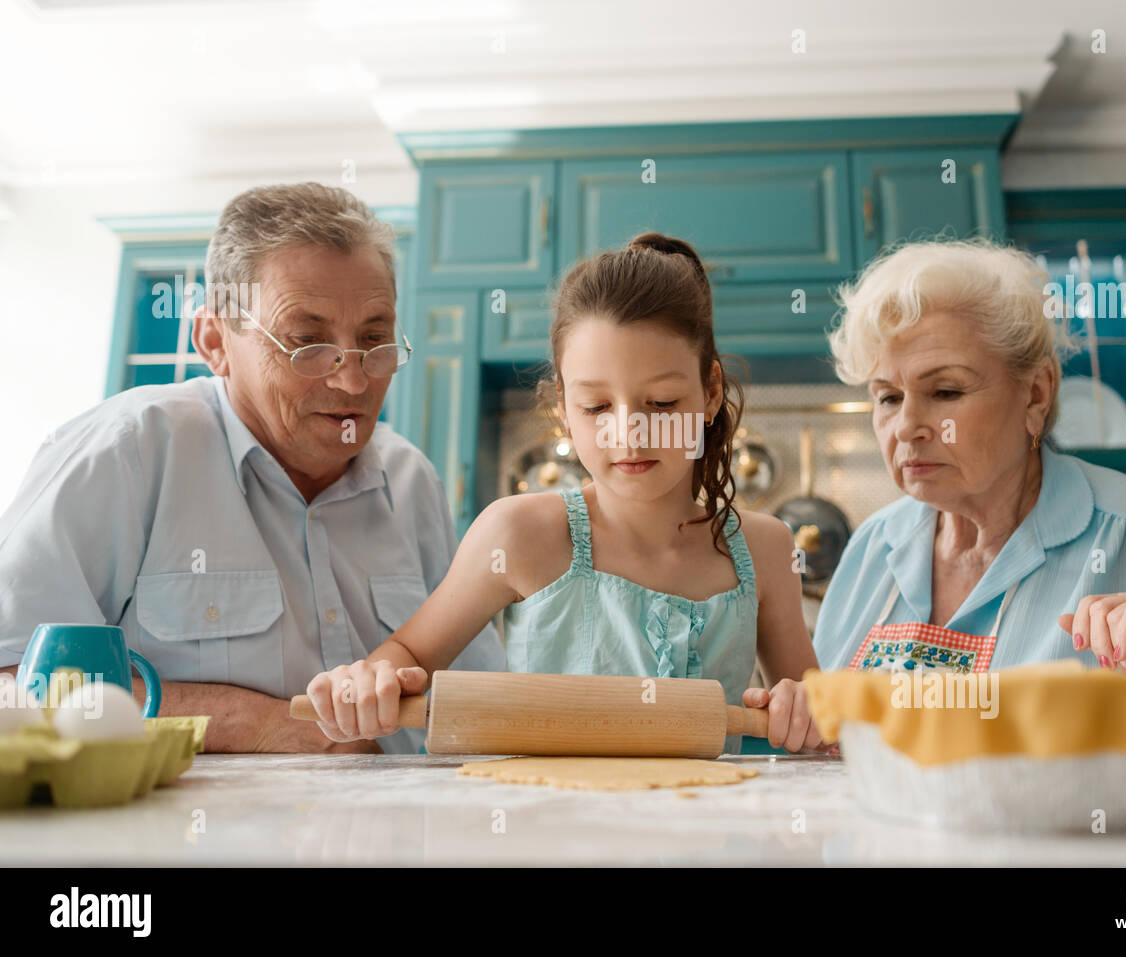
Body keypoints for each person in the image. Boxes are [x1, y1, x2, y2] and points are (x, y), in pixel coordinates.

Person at [0, 183, 504, 753]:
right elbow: (13, 687)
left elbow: (476, 693)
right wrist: (254, 721)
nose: (355, 380)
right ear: (215, 341)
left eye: (374, 339)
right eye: (307, 341)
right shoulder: (126, 453)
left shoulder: (412, 480)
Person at [305, 233, 825, 752]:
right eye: (597, 407)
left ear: (710, 392)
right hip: (549, 829)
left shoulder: (764, 549)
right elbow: (408, 653)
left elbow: (816, 719)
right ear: (561, 408)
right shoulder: (520, 534)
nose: (628, 434)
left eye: (662, 402)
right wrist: (370, 680)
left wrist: (806, 711)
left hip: (710, 831)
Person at [813, 238, 1126, 707]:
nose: (907, 427)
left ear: (1036, 395)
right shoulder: (871, 550)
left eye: (945, 392)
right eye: (888, 398)